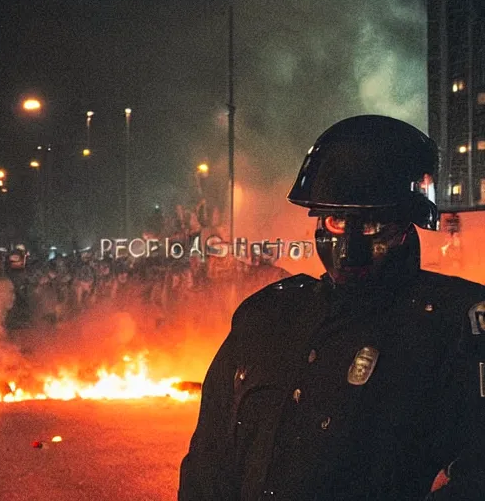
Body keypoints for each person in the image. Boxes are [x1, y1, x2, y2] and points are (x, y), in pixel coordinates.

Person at [178, 115, 485, 500]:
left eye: (373, 223)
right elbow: (208, 468)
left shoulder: (456, 324)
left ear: (408, 223)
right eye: (338, 219)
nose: (350, 247)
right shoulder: (266, 317)